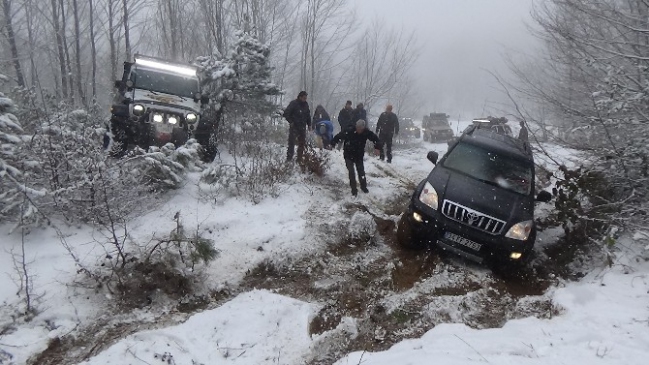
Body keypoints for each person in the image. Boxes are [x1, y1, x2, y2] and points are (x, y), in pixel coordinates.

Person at [331, 119, 383, 196]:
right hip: (348, 154)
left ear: (363, 128)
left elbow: (376, 139)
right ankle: (353, 189)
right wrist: (332, 143)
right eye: (358, 128)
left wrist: (377, 148)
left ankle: (363, 187)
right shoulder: (349, 131)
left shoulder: (366, 132)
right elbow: (338, 136)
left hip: (359, 155)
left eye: (361, 128)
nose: (359, 130)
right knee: (351, 172)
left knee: (361, 171)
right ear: (356, 126)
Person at [283, 91, 311, 163]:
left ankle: (299, 159)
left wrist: (309, 124)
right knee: (291, 143)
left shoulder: (306, 105)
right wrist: (291, 122)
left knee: (302, 143)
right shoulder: (293, 104)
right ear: (300, 97)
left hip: (302, 127)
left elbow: (308, 115)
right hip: (294, 127)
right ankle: (289, 158)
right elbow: (286, 113)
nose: (305, 99)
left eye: (306, 98)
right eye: (304, 98)